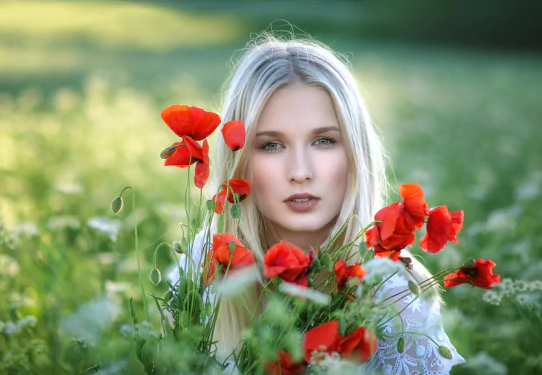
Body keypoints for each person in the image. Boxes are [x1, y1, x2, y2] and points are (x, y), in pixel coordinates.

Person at [168, 33, 465, 374]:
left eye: (324, 141)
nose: (300, 172)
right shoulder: (204, 261)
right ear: (240, 159)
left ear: (355, 151)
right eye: (271, 145)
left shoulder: (394, 294)